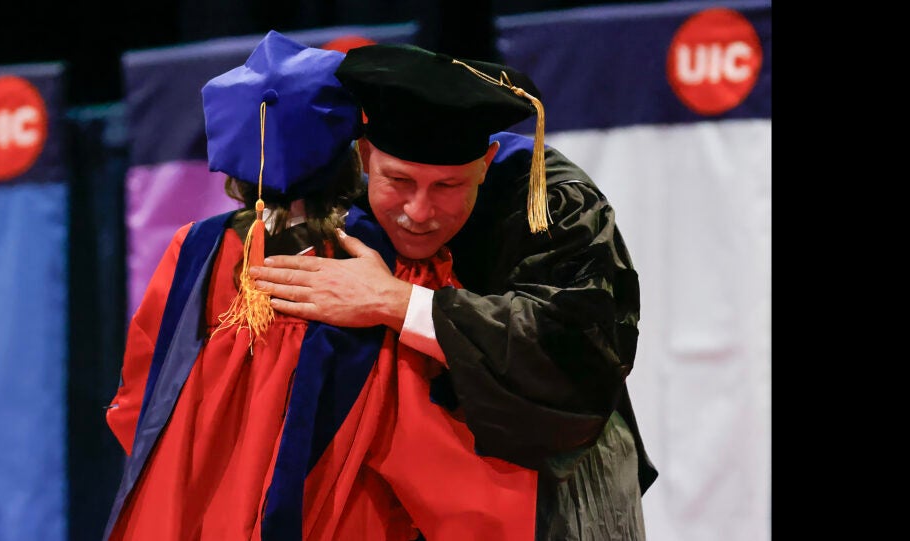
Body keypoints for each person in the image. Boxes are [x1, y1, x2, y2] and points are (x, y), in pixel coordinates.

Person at [101, 31, 547, 541]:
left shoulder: (195, 252)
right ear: (354, 154)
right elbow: (425, 446)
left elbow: (138, 406)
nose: (419, 211)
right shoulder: (375, 264)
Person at [250, 42, 658, 539]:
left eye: (447, 187)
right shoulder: (329, 191)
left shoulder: (551, 200)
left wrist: (394, 302)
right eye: (398, 180)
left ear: (485, 162)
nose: (419, 212)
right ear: (364, 155)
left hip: (553, 479)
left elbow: (581, 348)